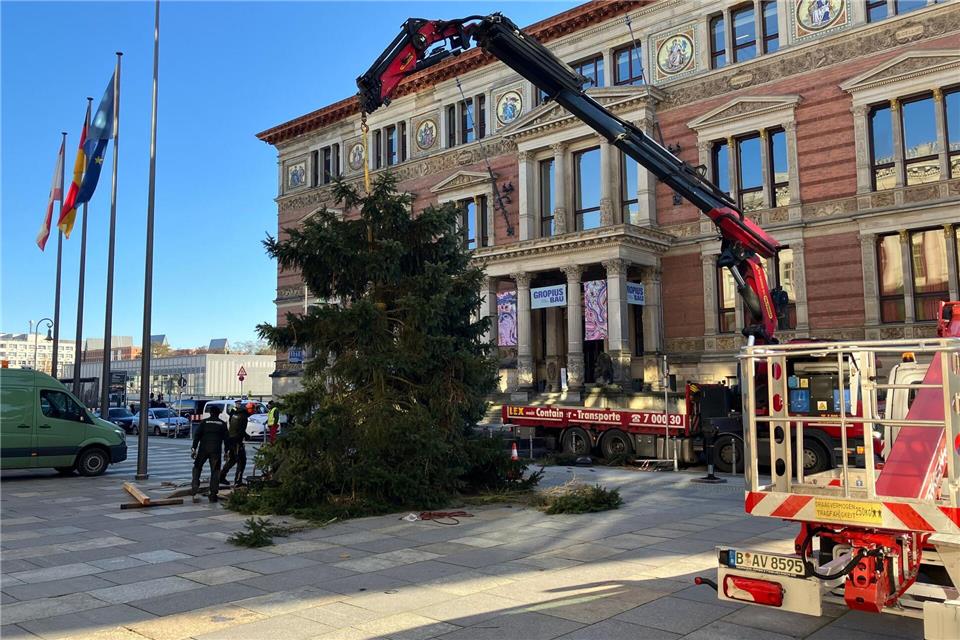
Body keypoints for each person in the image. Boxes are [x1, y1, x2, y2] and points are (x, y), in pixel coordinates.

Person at [191, 406, 229, 503]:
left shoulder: (204, 422)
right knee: (215, 471)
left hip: (203, 449)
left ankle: (195, 484)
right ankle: (213, 495)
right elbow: (226, 439)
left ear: (210, 413)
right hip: (215, 450)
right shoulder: (222, 424)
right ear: (218, 413)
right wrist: (226, 451)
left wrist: (194, 448)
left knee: (197, 466)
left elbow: (197, 435)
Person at [220, 402, 248, 487]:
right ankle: (238, 481)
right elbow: (241, 430)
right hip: (237, 442)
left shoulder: (234, 415)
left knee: (232, 460)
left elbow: (234, 427)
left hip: (231, 440)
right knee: (242, 461)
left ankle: (221, 476)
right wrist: (246, 436)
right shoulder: (243, 417)